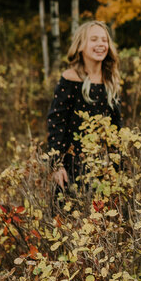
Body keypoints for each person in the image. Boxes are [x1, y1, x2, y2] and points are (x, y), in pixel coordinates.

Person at [47, 20, 123, 192]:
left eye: (104, 40)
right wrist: (56, 165)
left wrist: (118, 165)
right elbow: (56, 123)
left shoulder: (111, 80)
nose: (100, 44)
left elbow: (117, 126)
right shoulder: (70, 78)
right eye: (94, 39)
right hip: (72, 167)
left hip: (104, 166)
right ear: (80, 46)